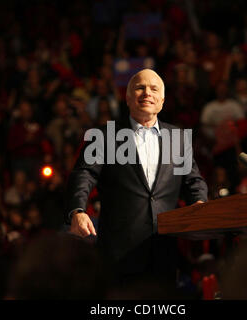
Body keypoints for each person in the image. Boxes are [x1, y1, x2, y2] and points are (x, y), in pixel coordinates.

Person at [65, 69, 208, 289]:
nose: (147, 93)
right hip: (117, 254)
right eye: (140, 87)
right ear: (128, 97)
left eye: (154, 89)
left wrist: (199, 205)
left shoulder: (178, 138)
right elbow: (84, 173)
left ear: (162, 100)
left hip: (164, 251)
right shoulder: (104, 135)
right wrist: (78, 211)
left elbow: (193, 182)